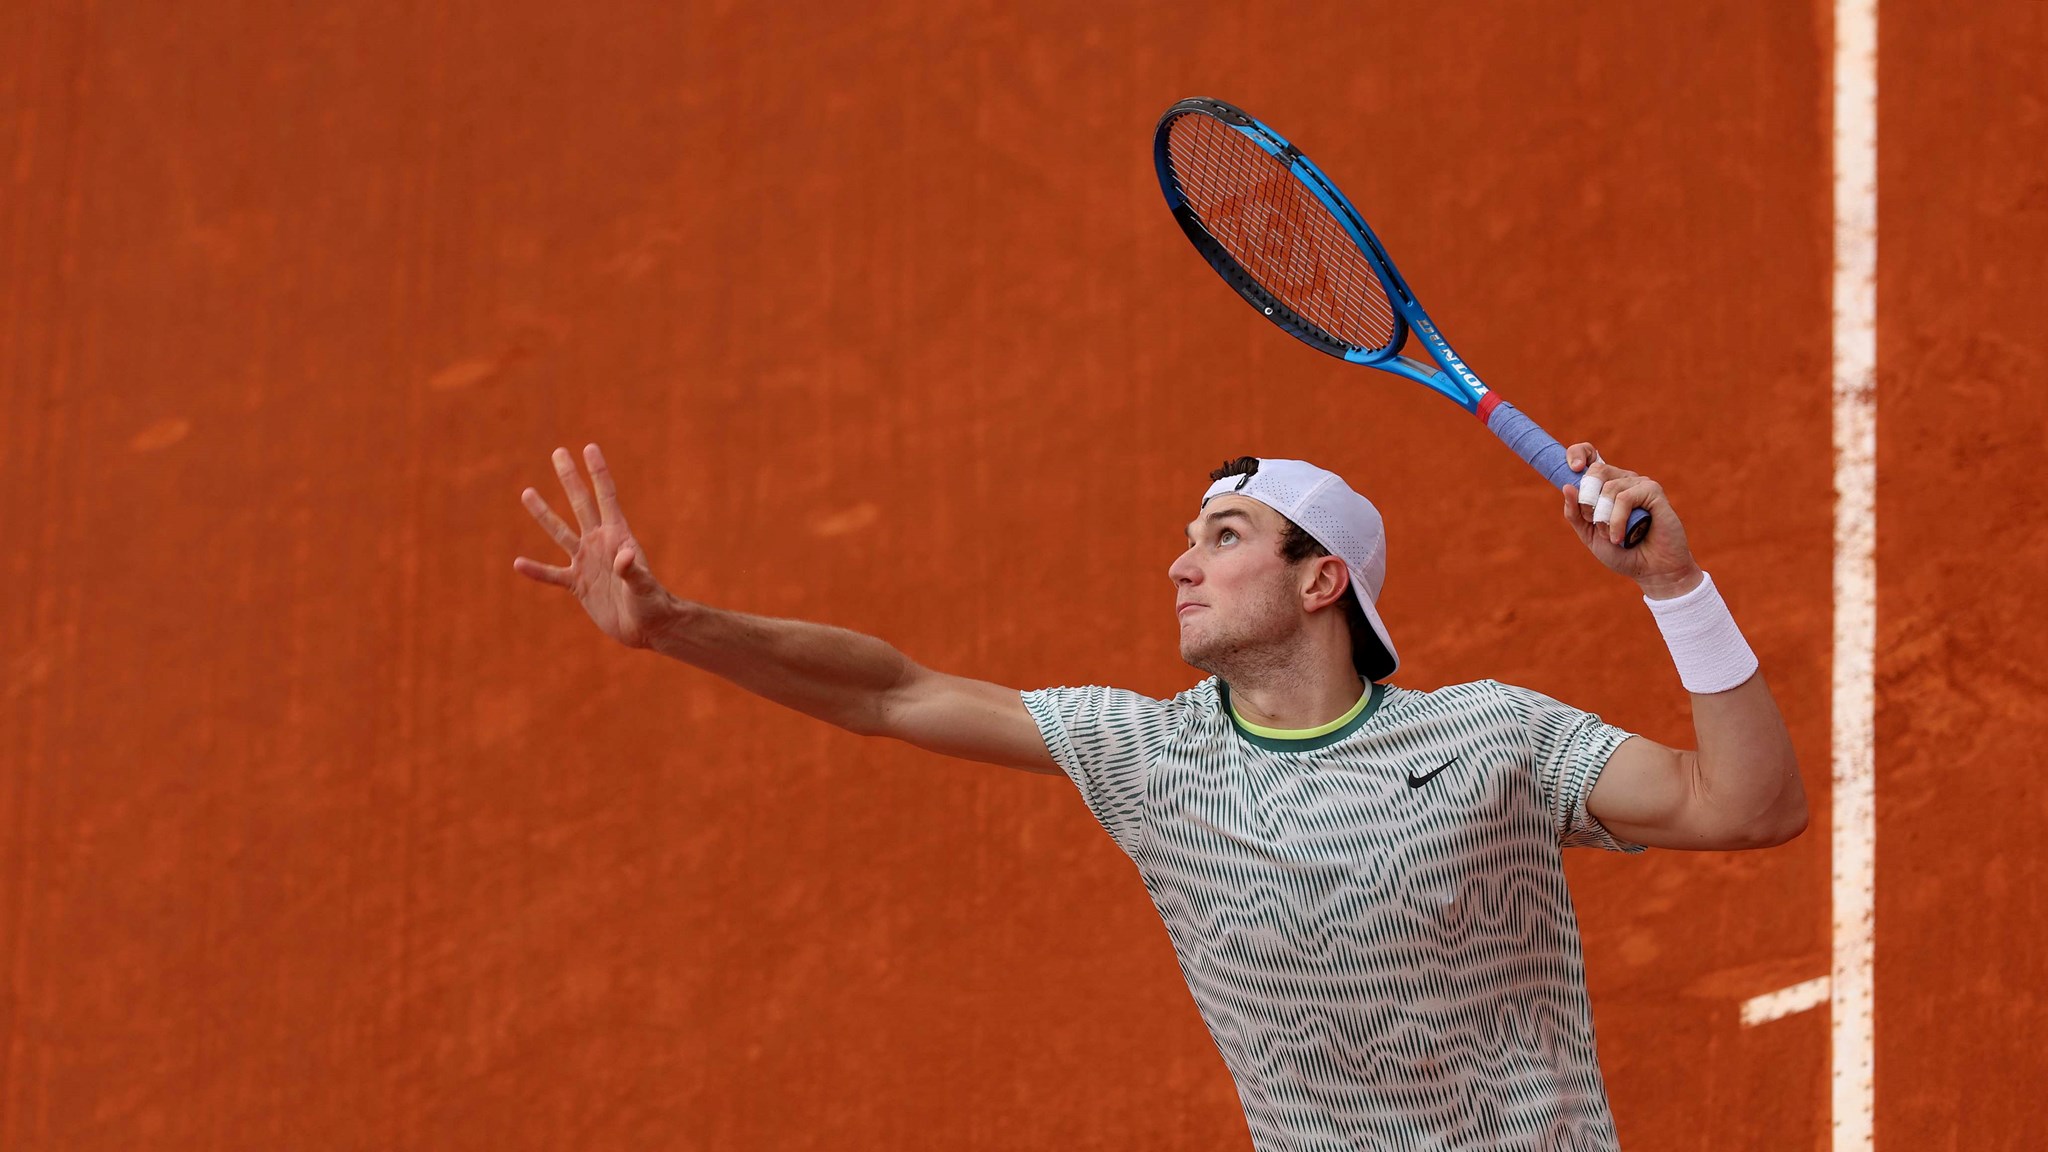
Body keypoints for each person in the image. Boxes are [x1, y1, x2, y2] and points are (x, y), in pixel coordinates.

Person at [513, 443, 1803, 1152]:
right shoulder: (1151, 759)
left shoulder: (1491, 740)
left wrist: (1674, 590)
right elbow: (891, 694)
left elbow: (1749, 806)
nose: (1180, 562)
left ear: (1322, 583)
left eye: (1226, 536)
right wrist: (675, 624)